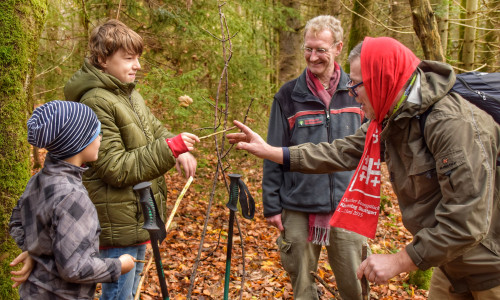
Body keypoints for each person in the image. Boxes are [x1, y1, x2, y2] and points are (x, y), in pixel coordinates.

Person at [228, 36, 500, 299]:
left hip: (491, 269)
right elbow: (339, 151)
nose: (352, 94)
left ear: (383, 79)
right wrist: (272, 152)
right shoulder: (391, 117)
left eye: (356, 85)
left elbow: (467, 222)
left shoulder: (453, 124)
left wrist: (401, 260)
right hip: (449, 264)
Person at [63, 19, 199, 300]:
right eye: (128, 58)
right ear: (102, 59)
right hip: (115, 221)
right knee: (119, 294)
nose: (137, 65)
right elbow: (114, 167)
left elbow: (155, 130)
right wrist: (169, 149)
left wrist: (179, 148)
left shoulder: (129, 94)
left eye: (138, 58)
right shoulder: (96, 102)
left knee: (130, 288)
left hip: (137, 215)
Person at [263, 15, 366, 299]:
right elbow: (273, 151)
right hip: (298, 205)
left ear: (338, 48)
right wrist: (272, 206)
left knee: (354, 286)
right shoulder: (287, 96)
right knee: (302, 287)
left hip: (348, 206)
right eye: (308, 48)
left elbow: (370, 150)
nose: (313, 56)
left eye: (320, 49)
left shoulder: (357, 92)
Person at [9, 100, 135, 299]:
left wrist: (36, 253)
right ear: (78, 142)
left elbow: (17, 223)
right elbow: (75, 268)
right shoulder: (72, 196)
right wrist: (119, 265)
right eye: (96, 133)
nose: (100, 138)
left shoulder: (40, 179)